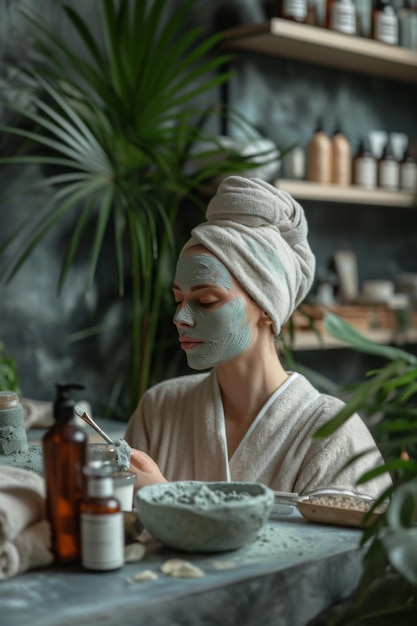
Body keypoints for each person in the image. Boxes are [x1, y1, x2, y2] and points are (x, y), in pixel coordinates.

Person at [125, 176, 391, 497]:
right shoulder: (159, 408)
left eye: (206, 301)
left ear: (266, 308)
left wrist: (167, 499)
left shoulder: (331, 434)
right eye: (178, 299)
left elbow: (344, 548)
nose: (179, 317)